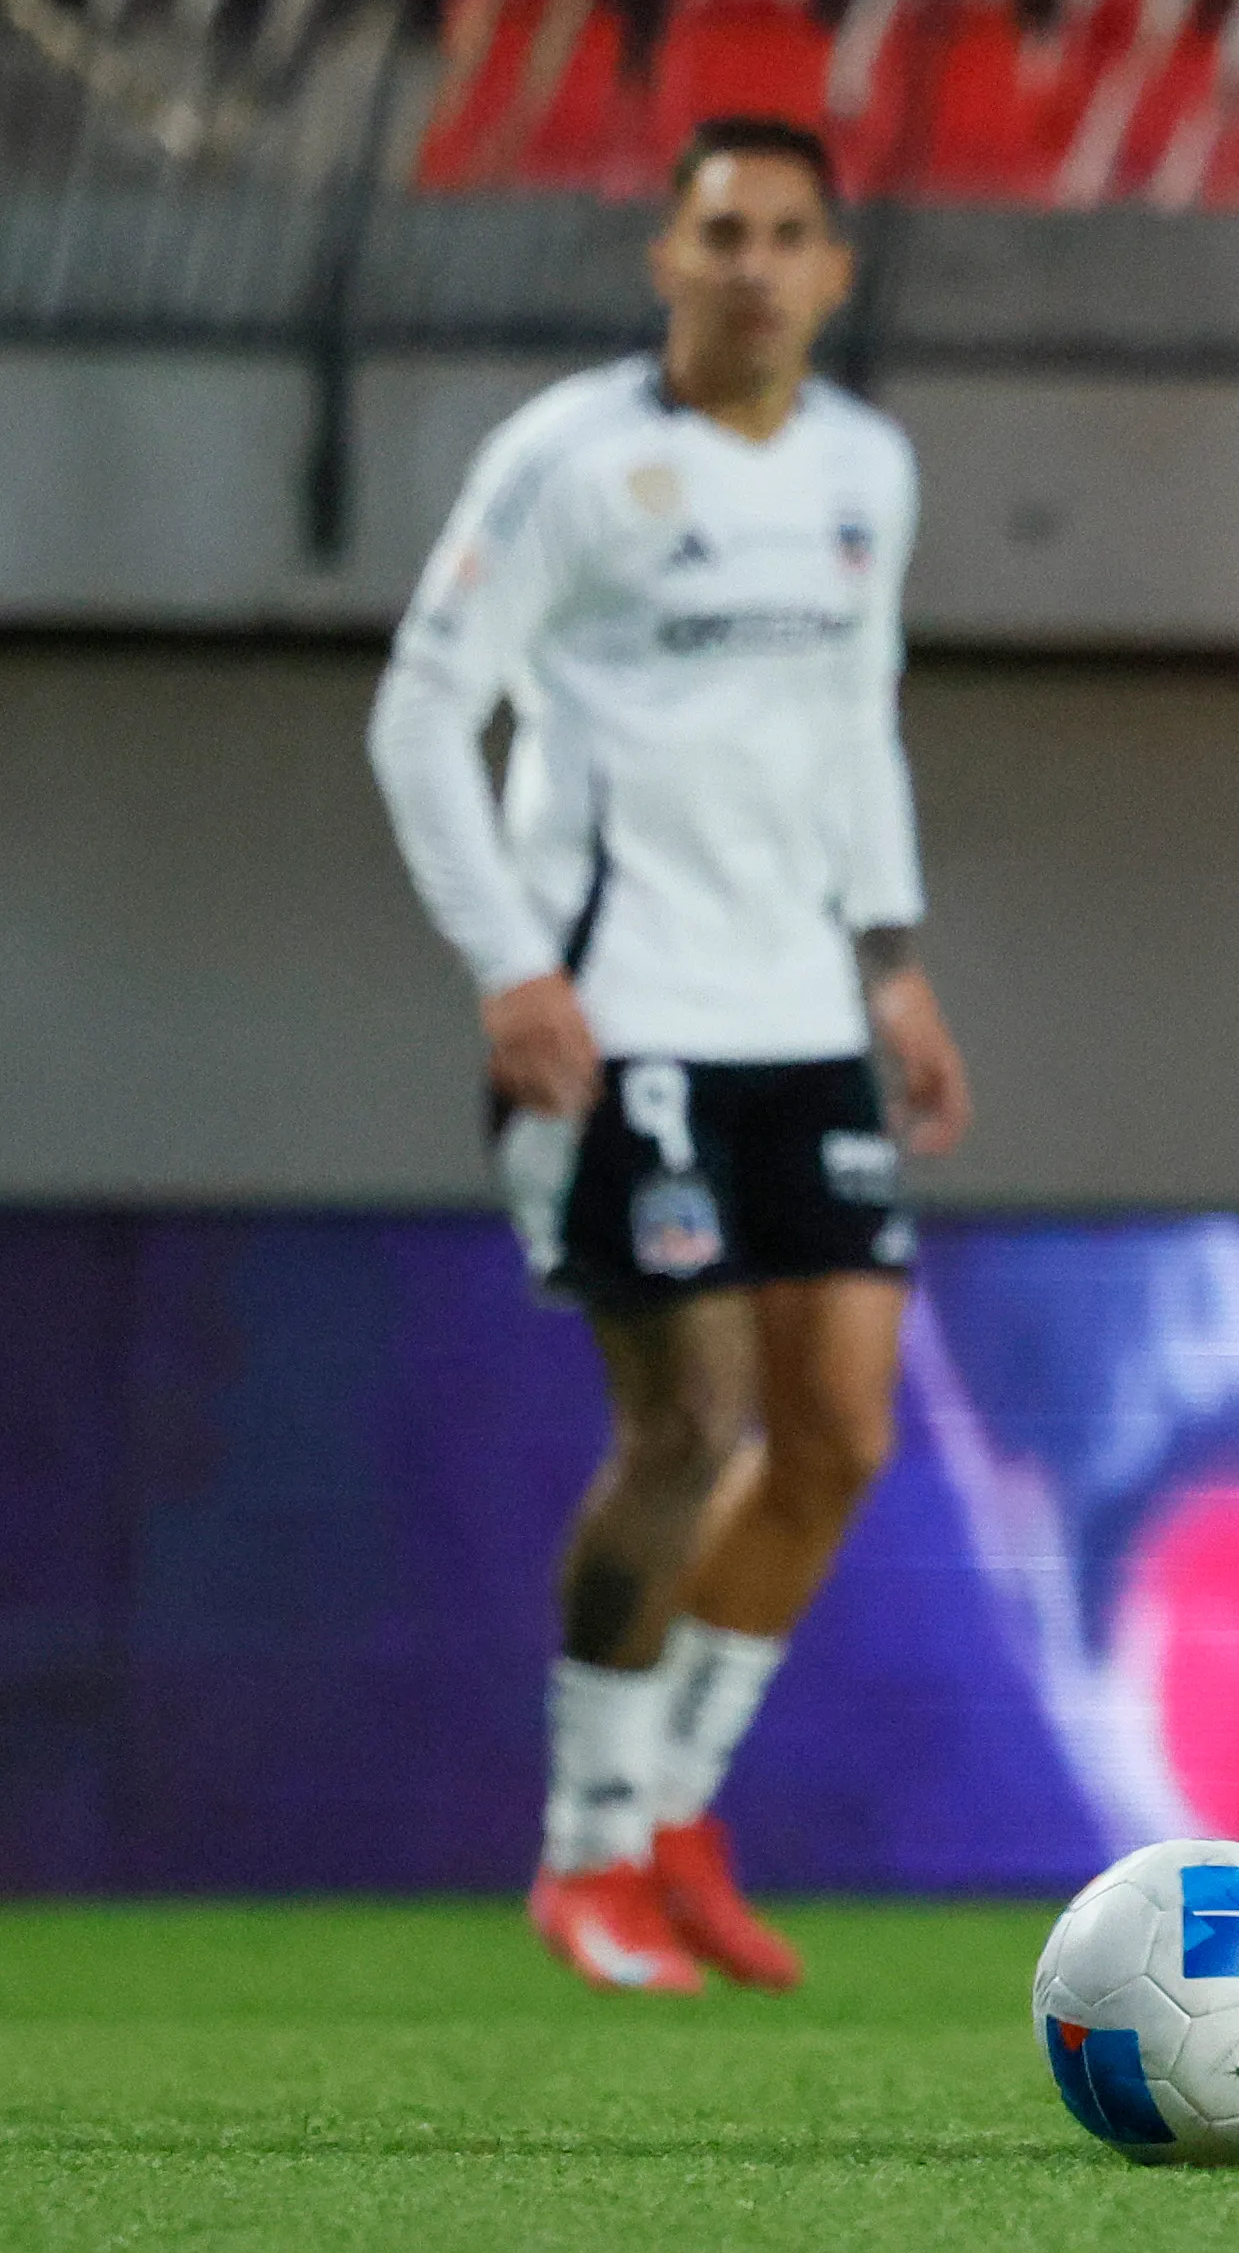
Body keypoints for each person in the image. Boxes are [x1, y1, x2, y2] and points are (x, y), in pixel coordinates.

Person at [366, 115, 969, 1995]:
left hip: (803, 1012)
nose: (754, 265)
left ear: (835, 269)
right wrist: (509, 965)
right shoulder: (570, 458)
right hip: (626, 1018)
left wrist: (894, 962)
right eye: (721, 229)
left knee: (843, 1436)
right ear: (666, 251)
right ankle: (581, 1855)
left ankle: (677, 1818)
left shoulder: (870, 466)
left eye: (790, 234)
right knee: (688, 1425)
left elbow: (853, 718)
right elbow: (420, 708)